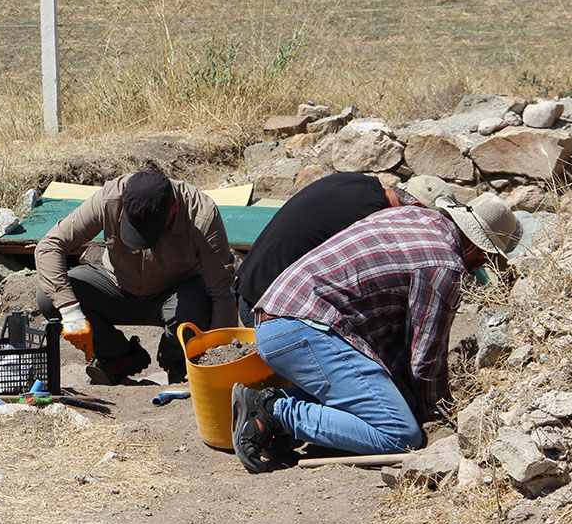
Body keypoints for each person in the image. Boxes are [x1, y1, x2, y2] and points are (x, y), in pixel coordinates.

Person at [231, 192, 533, 472]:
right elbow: (426, 361)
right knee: (400, 434)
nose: (481, 264)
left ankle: (278, 404)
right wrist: (439, 416)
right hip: (303, 330)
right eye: (486, 256)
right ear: (477, 247)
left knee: (395, 403)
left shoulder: (416, 218)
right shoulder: (443, 265)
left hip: (282, 317)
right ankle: (275, 412)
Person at [35, 170, 236, 385]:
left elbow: (222, 292)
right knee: (50, 298)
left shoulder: (201, 214)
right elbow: (49, 246)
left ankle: (176, 361)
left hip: (175, 294)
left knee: (198, 306)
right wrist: (71, 311)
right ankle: (120, 356)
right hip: (117, 286)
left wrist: (215, 358)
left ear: (173, 209)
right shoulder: (110, 198)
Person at [234, 173, 453, 326]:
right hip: (266, 312)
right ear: (415, 208)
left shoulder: (357, 181)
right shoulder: (373, 222)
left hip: (246, 286)